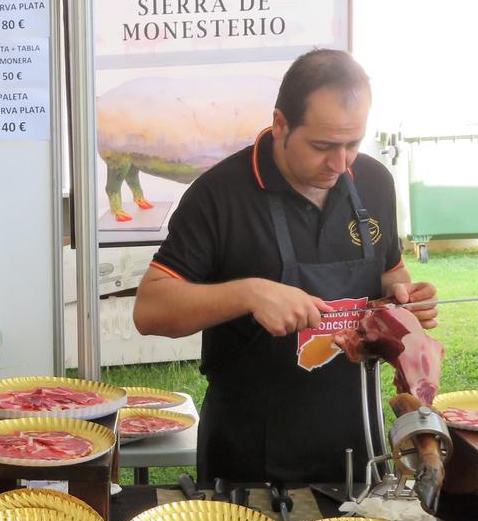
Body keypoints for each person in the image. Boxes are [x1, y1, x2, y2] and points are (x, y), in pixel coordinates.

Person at [133, 49, 438, 484]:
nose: (340, 164)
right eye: (323, 146)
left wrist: (407, 302)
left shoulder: (374, 182)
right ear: (280, 124)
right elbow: (150, 310)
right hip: (252, 453)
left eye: (353, 144)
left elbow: (391, 272)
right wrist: (249, 292)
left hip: (361, 447)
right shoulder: (219, 195)